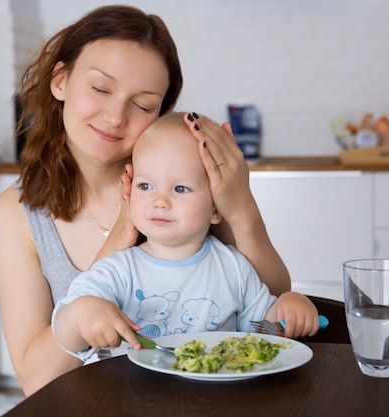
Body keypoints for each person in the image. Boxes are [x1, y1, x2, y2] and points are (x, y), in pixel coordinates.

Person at [0, 5, 290, 396]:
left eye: (144, 105)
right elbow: (37, 380)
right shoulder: (16, 214)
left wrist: (241, 206)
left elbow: (269, 309)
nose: (115, 116)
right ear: (60, 81)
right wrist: (119, 237)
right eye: (100, 89)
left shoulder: (190, 188)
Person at [51, 112, 319, 359]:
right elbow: (65, 332)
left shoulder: (233, 267)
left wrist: (288, 309)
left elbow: (263, 330)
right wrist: (82, 314)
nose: (160, 200)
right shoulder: (119, 270)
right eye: (146, 185)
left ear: (216, 208)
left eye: (180, 188)